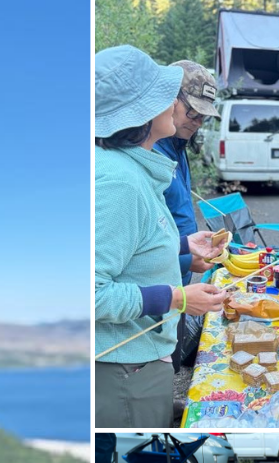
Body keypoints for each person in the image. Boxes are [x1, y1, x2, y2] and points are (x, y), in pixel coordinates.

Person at [95, 45, 227, 428]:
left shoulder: (133, 169)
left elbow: (133, 246)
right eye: (163, 94)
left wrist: (182, 244)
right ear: (138, 112)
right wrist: (177, 296)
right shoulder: (118, 182)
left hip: (139, 360)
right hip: (124, 369)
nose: (173, 101)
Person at [153, 60, 222, 370]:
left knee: (173, 359)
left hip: (179, 276)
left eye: (203, 115)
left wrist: (190, 251)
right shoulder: (151, 150)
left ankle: (166, 401)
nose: (196, 121)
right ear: (169, 100)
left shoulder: (178, 146)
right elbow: (145, 236)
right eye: (192, 111)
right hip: (157, 288)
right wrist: (185, 256)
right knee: (157, 363)